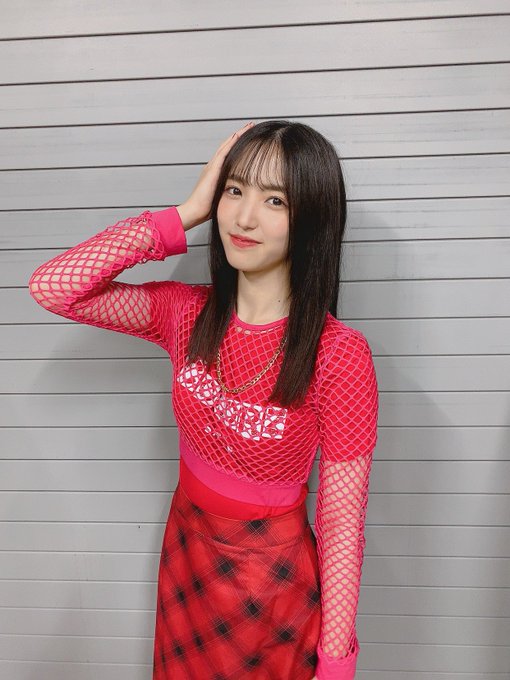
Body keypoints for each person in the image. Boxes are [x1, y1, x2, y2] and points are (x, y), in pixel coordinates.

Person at [28, 119, 379, 680]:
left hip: (269, 586)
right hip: (186, 550)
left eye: (275, 200)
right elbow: (55, 287)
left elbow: (340, 521)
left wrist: (336, 665)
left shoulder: (339, 355)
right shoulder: (184, 313)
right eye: (234, 190)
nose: (244, 217)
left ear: (312, 218)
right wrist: (185, 213)